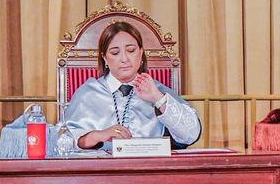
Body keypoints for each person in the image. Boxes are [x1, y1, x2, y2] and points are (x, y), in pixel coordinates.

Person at [57, 21, 201, 151]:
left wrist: (158, 99)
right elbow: (60, 141)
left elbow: (190, 135)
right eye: (115, 53)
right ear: (105, 58)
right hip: (100, 174)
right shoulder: (88, 93)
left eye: (131, 50)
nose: (124, 59)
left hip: (148, 172)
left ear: (141, 53)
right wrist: (95, 136)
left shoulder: (157, 91)